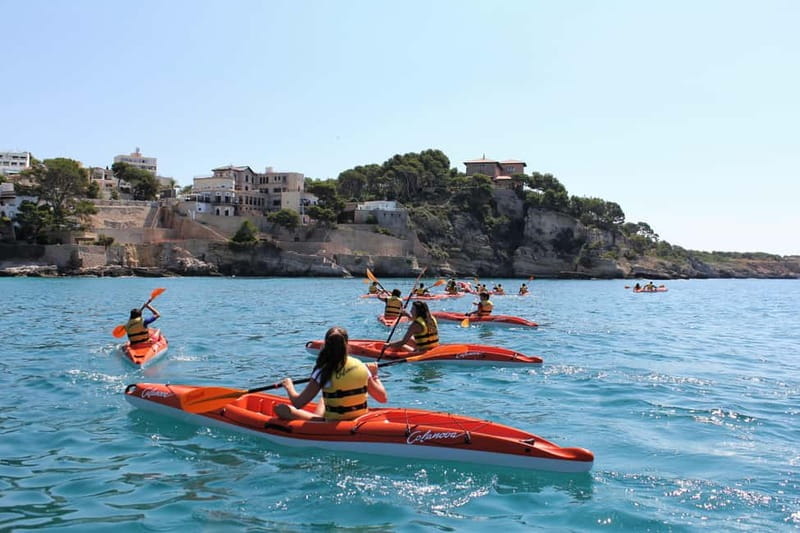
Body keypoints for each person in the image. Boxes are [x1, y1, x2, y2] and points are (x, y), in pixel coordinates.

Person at [276, 326, 387, 421]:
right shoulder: (361, 365)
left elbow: (298, 403)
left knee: (280, 408)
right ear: (347, 343)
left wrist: (289, 386)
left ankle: (317, 421)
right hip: (359, 418)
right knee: (324, 399)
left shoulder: (323, 370)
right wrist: (374, 375)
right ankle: (317, 417)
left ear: (326, 345)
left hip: (333, 423)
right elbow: (382, 398)